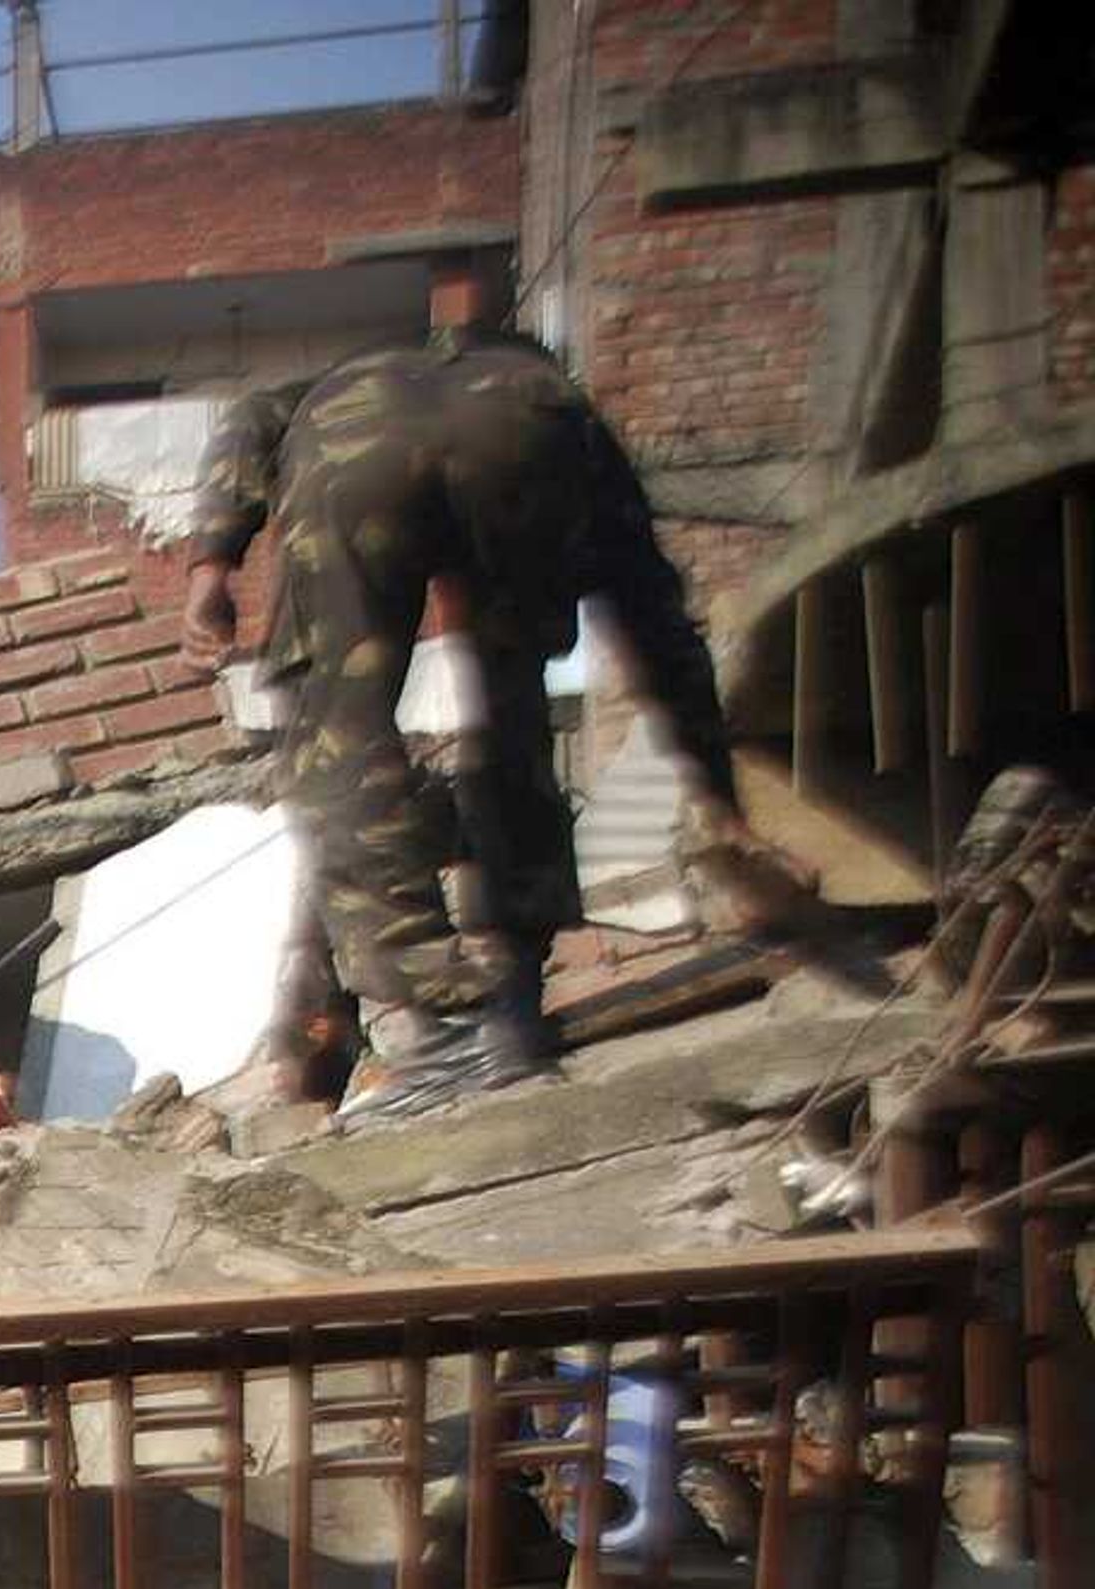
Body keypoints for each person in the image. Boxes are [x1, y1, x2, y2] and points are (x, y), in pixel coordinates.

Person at [180, 323, 757, 1123]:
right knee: (513, 710)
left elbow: (246, 421)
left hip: (355, 450)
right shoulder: (556, 405)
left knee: (337, 731)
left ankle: (447, 1026)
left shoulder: (339, 379)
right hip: (519, 445)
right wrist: (722, 806)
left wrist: (212, 568)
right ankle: (512, 1006)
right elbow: (655, 624)